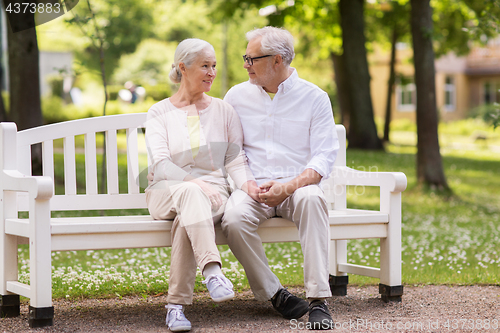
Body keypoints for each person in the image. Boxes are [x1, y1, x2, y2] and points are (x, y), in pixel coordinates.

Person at [222, 27, 339, 330]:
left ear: (276, 60)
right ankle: (276, 295)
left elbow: (323, 157)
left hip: (297, 186)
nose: (245, 64)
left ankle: (317, 300)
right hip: (252, 186)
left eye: (251, 59)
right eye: (244, 58)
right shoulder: (236, 96)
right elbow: (230, 152)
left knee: (313, 199)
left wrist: (288, 186)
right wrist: (248, 184)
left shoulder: (315, 98)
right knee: (233, 218)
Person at [145, 38, 260, 332]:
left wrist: (249, 188)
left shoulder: (224, 111)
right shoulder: (159, 112)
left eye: (214, 66)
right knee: (190, 192)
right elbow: (161, 164)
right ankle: (212, 270)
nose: (212, 72)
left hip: (213, 195)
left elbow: (235, 161)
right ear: (183, 68)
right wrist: (194, 182)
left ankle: (176, 307)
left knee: (188, 217)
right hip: (165, 191)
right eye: (205, 66)